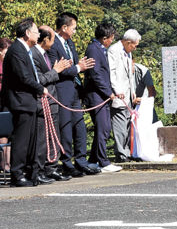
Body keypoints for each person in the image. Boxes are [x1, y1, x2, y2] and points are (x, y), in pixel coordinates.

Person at [47, 12, 99, 177]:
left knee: (79, 127)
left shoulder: (69, 43)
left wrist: (79, 67)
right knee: (66, 128)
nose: (75, 31)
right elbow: (58, 69)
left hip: (75, 91)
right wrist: (78, 68)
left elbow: (75, 64)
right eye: (73, 28)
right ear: (64, 27)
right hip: (62, 91)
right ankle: (67, 163)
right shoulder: (53, 44)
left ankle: (81, 161)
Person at [1, 18, 47, 186]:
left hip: (28, 102)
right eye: (36, 31)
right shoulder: (17, 50)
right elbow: (23, 77)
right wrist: (41, 88)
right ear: (28, 33)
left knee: (29, 140)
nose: (39, 34)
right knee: (21, 140)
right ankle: (17, 174)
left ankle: (29, 172)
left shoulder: (25, 50)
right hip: (20, 101)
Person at [32, 26, 72, 182]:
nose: (54, 43)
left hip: (52, 101)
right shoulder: (34, 55)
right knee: (42, 138)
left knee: (54, 137)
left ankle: (52, 167)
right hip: (43, 101)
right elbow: (39, 80)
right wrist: (56, 71)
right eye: (53, 39)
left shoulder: (45, 54)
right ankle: (40, 170)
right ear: (46, 39)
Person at [83, 23, 122, 172]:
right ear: (104, 38)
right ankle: (103, 161)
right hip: (96, 95)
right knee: (103, 128)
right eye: (111, 38)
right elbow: (96, 75)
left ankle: (93, 160)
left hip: (101, 94)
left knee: (103, 128)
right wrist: (109, 92)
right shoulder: (94, 49)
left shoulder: (100, 49)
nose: (111, 41)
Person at [109, 29, 140, 163]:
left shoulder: (128, 52)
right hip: (119, 95)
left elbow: (130, 75)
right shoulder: (114, 50)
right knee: (119, 126)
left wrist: (133, 93)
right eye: (135, 45)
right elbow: (112, 72)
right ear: (128, 42)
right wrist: (116, 90)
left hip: (128, 95)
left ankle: (126, 152)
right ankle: (121, 154)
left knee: (127, 126)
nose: (135, 48)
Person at [0, 37, 13, 174]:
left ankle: (9, 163)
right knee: (3, 134)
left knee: (9, 133)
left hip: (9, 101)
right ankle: (5, 164)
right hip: (1, 100)